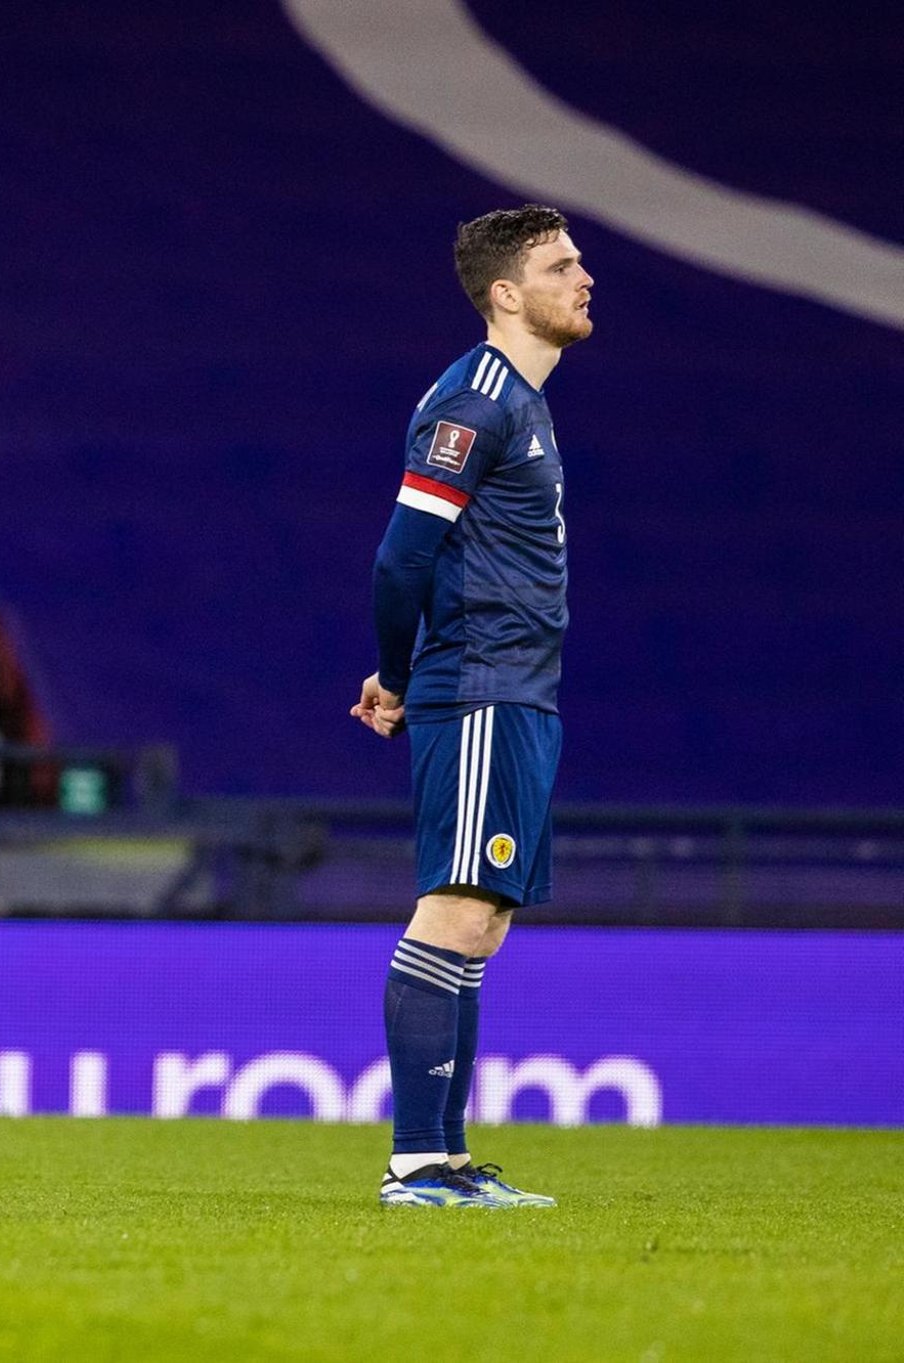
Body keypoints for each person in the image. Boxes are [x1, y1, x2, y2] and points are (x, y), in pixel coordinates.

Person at [351, 205, 592, 1209]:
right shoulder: (475, 402)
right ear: (505, 292)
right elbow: (401, 553)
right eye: (559, 265)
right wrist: (397, 675)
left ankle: (445, 1160)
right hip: (480, 682)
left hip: (519, 690)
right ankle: (414, 1163)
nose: (583, 278)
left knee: (480, 923)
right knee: (451, 907)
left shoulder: (522, 403)